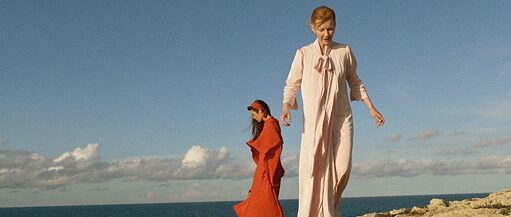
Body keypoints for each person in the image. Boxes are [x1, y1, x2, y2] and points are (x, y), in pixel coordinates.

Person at [280, 6, 385, 217]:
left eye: (331, 29)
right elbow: (292, 83)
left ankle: (331, 205)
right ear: (313, 28)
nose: (327, 34)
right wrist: (286, 106)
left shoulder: (344, 51)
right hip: (314, 122)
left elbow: (355, 81)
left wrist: (371, 108)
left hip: (341, 117)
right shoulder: (303, 53)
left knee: (343, 165)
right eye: (322, 29)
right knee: (314, 169)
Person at [233, 100, 285, 217]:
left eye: (254, 114)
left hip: (267, 171)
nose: (254, 118)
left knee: (262, 205)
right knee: (258, 203)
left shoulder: (271, 124)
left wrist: (256, 144)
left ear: (262, 111)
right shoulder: (270, 124)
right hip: (265, 170)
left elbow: (274, 144)